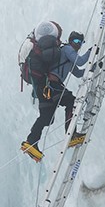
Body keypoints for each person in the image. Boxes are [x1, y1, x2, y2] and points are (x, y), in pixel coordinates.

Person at [21, 26, 91, 161]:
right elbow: (80, 61)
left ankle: (31, 142)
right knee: (70, 101)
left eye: (80, 42)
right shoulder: (67, 49)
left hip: (44, 88)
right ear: (70, 40)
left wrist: (92, 67)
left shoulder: (68, 57)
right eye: (76, 41)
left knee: (45, 117)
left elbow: (78, 73)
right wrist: (91, 51)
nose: (78, 45)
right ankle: (71, 135)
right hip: (52, 85)